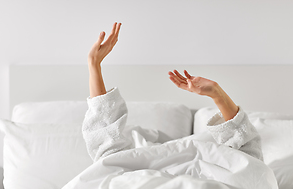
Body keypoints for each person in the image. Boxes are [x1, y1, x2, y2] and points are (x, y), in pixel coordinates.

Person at [83, 22, 263, 162]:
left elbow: (105, 145)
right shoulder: (134, 168)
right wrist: (94, 65)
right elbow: (249, 157)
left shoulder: (211, 164)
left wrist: (217, 93)